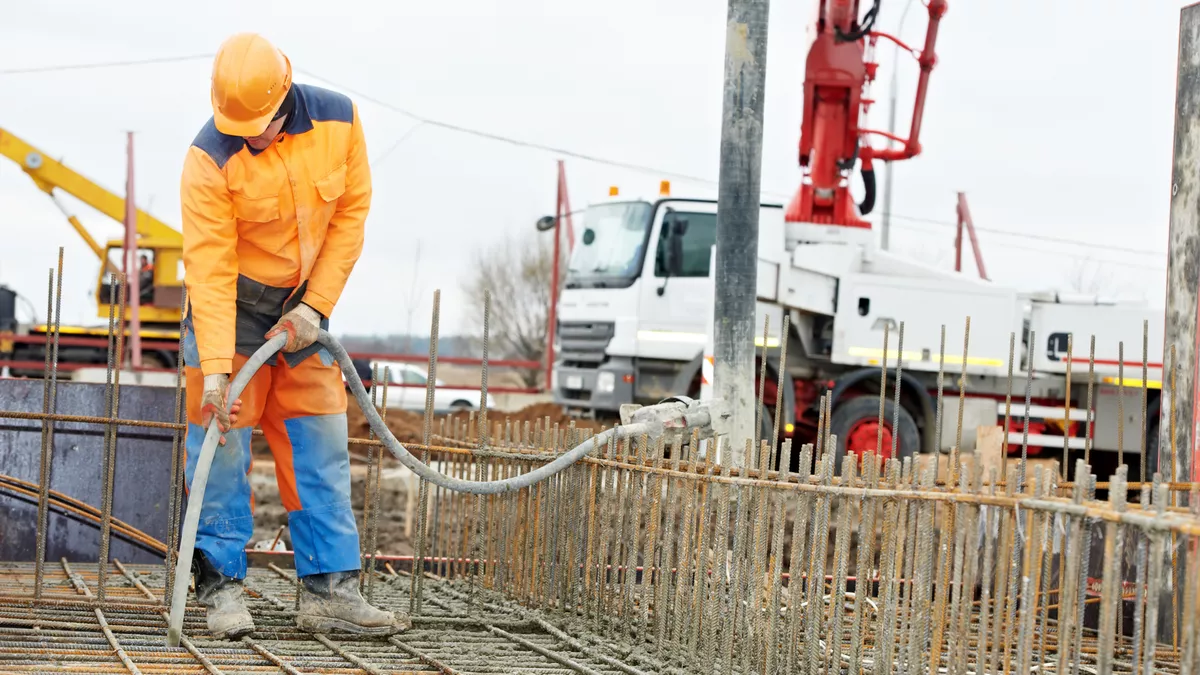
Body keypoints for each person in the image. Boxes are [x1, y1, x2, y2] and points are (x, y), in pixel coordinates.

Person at [179, 32, 407, 639]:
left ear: (285, 95)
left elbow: (351, 214)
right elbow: (208, 263)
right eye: (239, 125)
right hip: (228, 309)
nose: (249, 134)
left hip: (303, 314)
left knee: (320, 447)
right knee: (219, 450)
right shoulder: (209, 156)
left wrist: (316, 306)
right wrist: (219, 367)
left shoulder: (340, 121)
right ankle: (222, 592)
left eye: (258, 124)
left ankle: (330, 592)